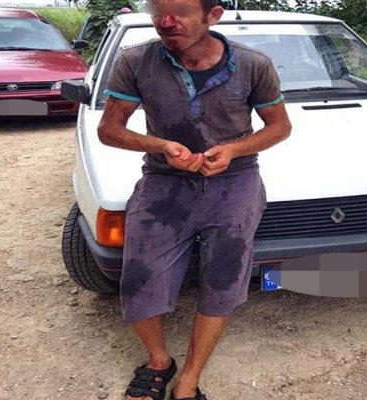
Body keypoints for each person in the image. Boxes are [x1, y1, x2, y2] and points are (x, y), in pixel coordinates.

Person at [96, 0, 292, 398]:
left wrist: (233, 150)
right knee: (138, 279)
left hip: (234, 181)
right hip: (163, 180)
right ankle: (158, 361)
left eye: (180, 12)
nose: (166, 22)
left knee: (222, 280)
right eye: (157, 11)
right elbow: (109, 129)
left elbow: (279, 126)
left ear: (212, 15)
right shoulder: (136, 61)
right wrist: (161, 146)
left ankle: (189, 377)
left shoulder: (253, 64)